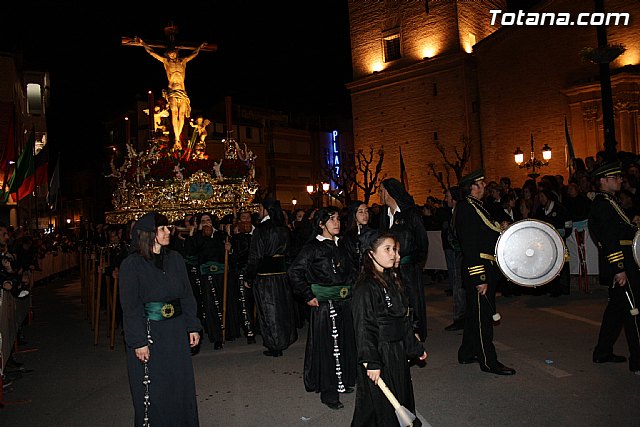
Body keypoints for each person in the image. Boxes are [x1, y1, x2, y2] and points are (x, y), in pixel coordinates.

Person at [119, 212, 202, 426]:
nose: (169, 232)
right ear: (148, 234)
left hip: (175, 331)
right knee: (154, 387)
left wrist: (192, 325)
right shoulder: (132, 264)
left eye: (168, 227)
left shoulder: (175, 259)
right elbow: (130, 306)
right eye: (163, 228)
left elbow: (186, 294)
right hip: (149, 333)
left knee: (178, 383)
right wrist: (138, 342)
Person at [351, 230, 427, 426]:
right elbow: (363, 326)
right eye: (387, 249)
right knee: (376, 406)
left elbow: (403, 320)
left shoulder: (393, 280)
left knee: (401, 394)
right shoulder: (365, 288)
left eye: (394, 249)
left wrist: (414, 347)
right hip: (379, 352)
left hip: (397, 351)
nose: (393, 254)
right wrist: (371, 360)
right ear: (370, 253)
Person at [289, 206, 357, 410]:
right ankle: (329, 392)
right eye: (331, 219)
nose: (337, 223)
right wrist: (308, 295)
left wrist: (351, 288)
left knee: (344, 343)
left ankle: (342, 381)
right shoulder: (312, 247)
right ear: (321, 224)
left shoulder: (343, 244)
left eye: (338, 218)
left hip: (344, 303)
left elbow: (352, 270)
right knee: (329, 348)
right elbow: (294, 272)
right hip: (325, 305)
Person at [455, 169, 516, 375]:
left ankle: (467, 352)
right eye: (481, 183)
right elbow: (470, 245)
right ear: (471, 187)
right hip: (478, 268)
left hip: (486, 266)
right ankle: (489, 361)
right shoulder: (466, 209)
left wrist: (501, 227)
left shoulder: (478, 207)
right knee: (483, 318)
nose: (484, 186)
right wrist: (479, 277)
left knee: (475, 313)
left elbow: (487, 231)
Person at [588, 161, 640, 374]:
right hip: (621, 262)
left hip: (624, 260)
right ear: (603, 181)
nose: (620, 180)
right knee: (633, 310)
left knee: (617, 309)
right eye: (615, 177)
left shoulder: (610, 201)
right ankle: (638, 361)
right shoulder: (603, 204)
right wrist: (619, 268)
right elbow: (608, 239)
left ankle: (602, 352)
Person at [244, 199, 298, 356]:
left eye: (260, 208)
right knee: (282, 308)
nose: (258, 211)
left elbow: (255, 256)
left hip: (265, 277)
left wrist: (249, 277)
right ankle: (285, 337)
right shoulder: (284, 229)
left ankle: (275, 344)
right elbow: (290, 253)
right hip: (281, 276)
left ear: (266, 210)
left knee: (269, 310)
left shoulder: (261, 230)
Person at [378, 178, 429, 342]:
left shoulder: (411, 213)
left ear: (389, 192)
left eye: (381, 190)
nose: (379, 193)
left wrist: (413, 264)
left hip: (408, 270)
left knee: (412, 304)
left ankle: (415, 338)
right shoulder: (384, 216)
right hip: (389, 271)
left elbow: (422, 243)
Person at [136, 37, 207, 151]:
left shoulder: (183, 61)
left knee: (182, 114)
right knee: (174, 113)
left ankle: (178, 138)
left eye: (173, 52)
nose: (171, 55)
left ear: (176, 52)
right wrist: (143, 43)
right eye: (169, 53)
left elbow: (194, 54)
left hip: (182, 91)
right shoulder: (166, 62)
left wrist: (200, 46)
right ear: (167, 54)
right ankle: (177, 139)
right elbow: (152, 52)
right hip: (172, 91)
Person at [443, 186, 466, 330]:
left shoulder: (460, 212)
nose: (446, 200)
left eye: (447, 196)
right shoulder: (454, 211)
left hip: (460, 253)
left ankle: (461, 318)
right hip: (458, 252)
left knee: (459, 287)